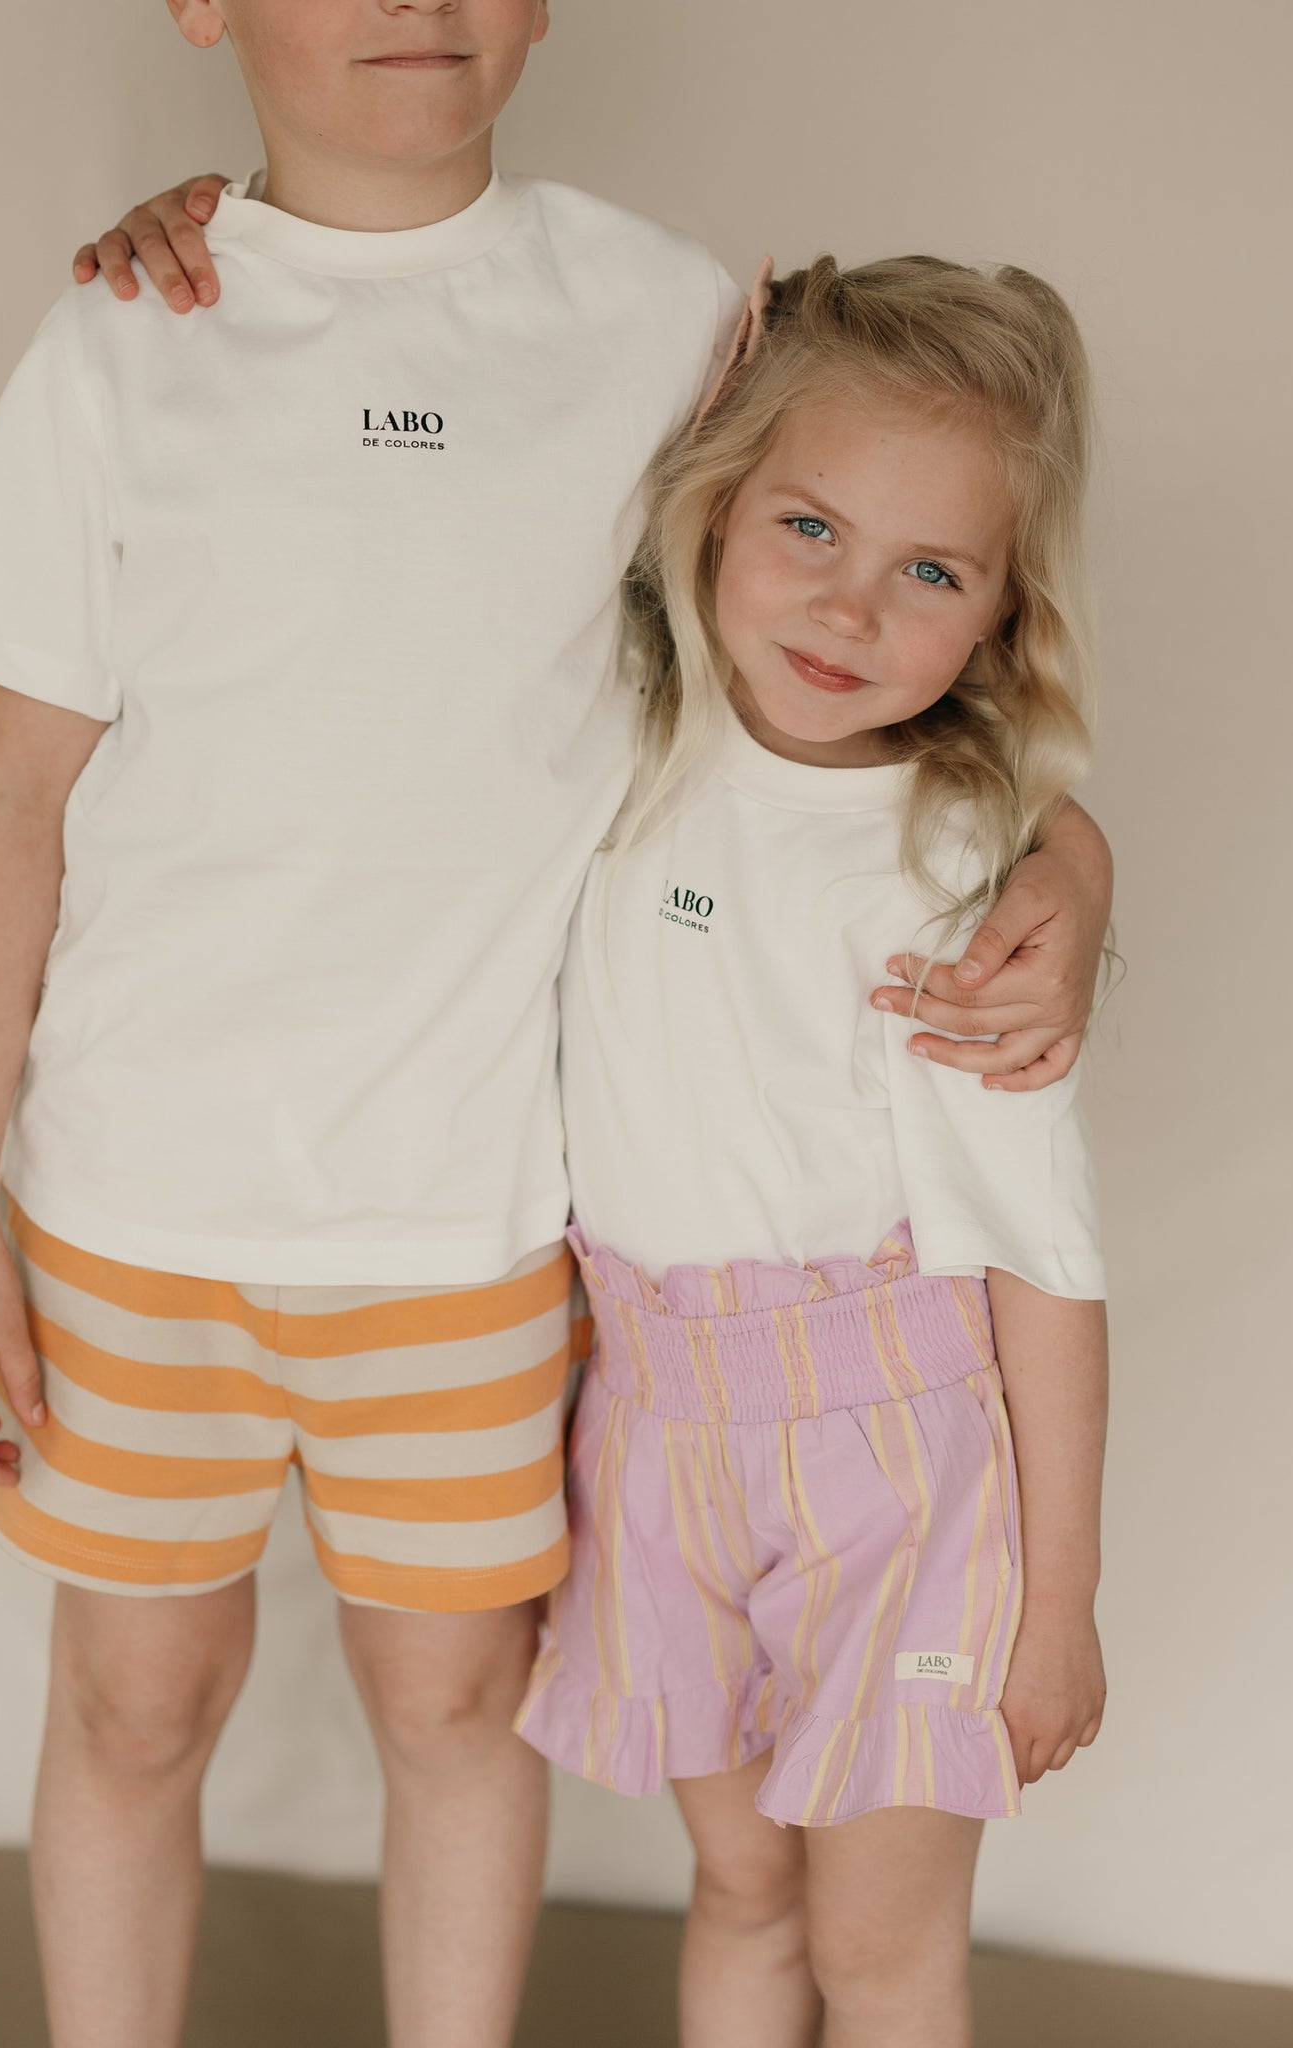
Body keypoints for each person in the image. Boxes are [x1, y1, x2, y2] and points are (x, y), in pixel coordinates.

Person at [0, 2, 1110, 2043]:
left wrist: (1068, 866)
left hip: (474, 1228)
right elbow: (13, 802)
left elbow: (900, 618)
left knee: (453, 1708)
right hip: (127, 1212)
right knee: (132, 1704)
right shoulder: (130, 330)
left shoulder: (676, 321)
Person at [512, 253, 1110, 2048]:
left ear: (995, 617)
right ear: (713, 505)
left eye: (930, 571)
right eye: (809, 528)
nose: (849, 606)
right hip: (652, 1427)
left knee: (879, 1944)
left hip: (897, 1475)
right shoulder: (616, 741)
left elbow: (1041, 1266)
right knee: (743, 1890)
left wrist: (1058, 1606)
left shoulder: (957, 877)